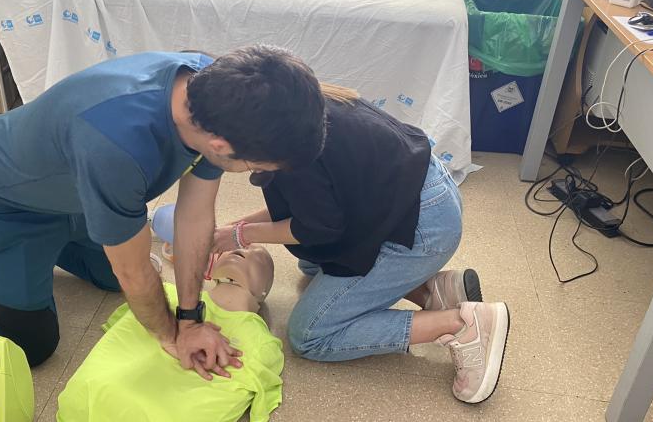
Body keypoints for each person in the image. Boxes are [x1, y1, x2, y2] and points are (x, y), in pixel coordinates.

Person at [0, 47, 326, 379]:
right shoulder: (117, 145)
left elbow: (195, 216)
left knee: (124, 281)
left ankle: (49, 249)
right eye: (256, 167)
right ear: (221, 147)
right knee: (31, 347)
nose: (256, 174)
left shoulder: (211, 94)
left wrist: (190, 317)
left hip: (76, 193)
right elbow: (133, 273)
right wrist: (171, 335)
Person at [208, 83, 510, 404]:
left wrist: (241, 235)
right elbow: (310, 207)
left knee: (309, 335)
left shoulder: (294, 154)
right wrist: (234, 230)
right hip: (423, 195)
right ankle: (431, 291)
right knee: (311, 262)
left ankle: (463, 325)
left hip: (422, 229)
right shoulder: (296, 105)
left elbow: (316, 226)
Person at [57, 245, 283, 422]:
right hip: (89, 396)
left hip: (88, 404)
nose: (241, 249)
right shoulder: (161, 294)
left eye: (257, 256)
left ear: (263, 292)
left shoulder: (262, 342)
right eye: (235, 248)